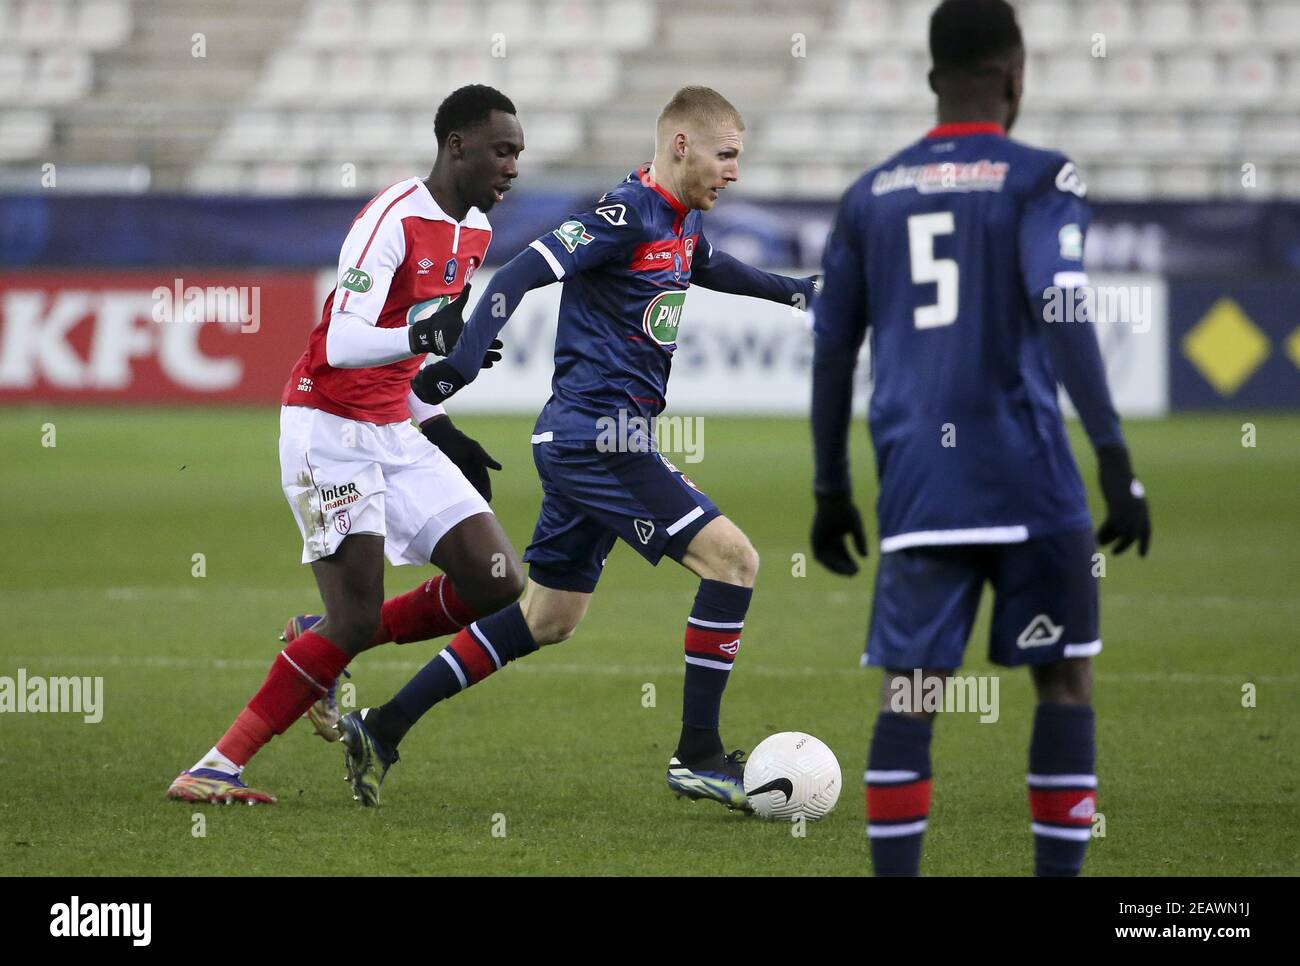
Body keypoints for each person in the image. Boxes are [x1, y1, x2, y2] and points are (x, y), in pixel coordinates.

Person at [336, 86, 818, 811]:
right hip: (599, 437)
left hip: (588, 438)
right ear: (680, 146)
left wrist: (797, 294)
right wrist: (464, 361)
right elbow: (528, 266)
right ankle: (699, 754)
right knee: (735, 560)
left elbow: (709, 266)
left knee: (548, 617)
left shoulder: (679, 222)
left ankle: (383, 725)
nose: (734, 172)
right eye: (726, 155)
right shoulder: (625, 215)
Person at [810, 0, 1151, 875]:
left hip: (921, 484)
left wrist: (830, 491)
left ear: (932, 80)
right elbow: (1063, 300)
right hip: (1032, 481)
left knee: (913, 693)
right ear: (1016, 74)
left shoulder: (869, 194)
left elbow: (832, 350)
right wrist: (1112, 453)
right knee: (1063, 682)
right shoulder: (1042, 179)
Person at [167, 85, 526, 805]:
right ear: (456, 146)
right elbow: (343, 338)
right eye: (501, 149)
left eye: (518, 152)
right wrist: (426, 336)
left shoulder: (477, 230)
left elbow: (410, 350)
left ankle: (318, 638)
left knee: (498, 581)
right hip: (325, 427)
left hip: (394, 425)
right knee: (357, 616)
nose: (512, 165)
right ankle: (215, 765)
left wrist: (436, 417)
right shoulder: (392, 217)